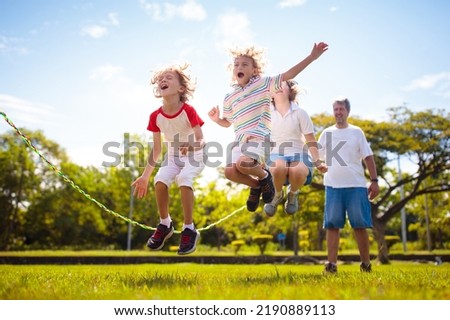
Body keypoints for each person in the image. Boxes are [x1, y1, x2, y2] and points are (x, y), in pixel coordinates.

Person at [208, 42, 328, 212]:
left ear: (254, 70)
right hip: (239, 140)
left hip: (259, 137)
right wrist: (216, 119)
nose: (239, 67)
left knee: (244, 163)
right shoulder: (229, 97)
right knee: (229, 172)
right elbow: (227, 122)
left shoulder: (263, 84)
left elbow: (288, 74)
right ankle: (258, 185)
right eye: (236, 65)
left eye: (244, 64)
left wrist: (311, 57)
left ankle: (266, 177)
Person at [132, 63, 206, 255]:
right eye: (160, 79)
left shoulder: (188, 110)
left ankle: (189, 228)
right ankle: (165, 224)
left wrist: (192, 146)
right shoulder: (155, 116)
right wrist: (144, 176)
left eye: (168, 77)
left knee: (184, 179)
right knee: (159, 180)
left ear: (181, 88)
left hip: (195, 154)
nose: (163, 80)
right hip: (173, 156)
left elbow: (201, 140)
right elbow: (157, 149)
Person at [318, 96, 380, 273]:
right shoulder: (326, 133)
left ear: (347, 111)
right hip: (332, 186)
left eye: (341, 109)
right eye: (336, 109)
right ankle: (331, 265)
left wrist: (374, 181)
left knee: (359, 225)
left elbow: (368, 157)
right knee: (332, 225)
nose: (338, 112)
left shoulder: (356, 132)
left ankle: (366, 264)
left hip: (356, 186)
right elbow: (316, 156)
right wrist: (318, 165)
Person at [264, 80, 328, 217]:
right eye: (275, 86)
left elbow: (310, 139)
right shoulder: (266, 113)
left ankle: (292, 194)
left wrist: (318, 162)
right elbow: (262, 138)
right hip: (277, 153)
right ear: (271, 93)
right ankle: (277, 195)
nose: (278, 87)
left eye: (282, 84)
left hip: (299, 153)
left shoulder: (300, 113)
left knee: (297, 171)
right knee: (278, 167)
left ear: (290, 91)